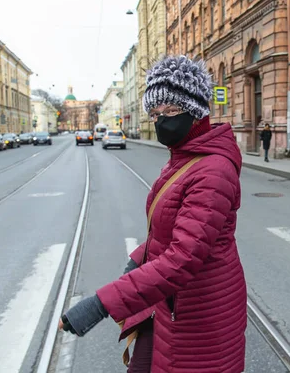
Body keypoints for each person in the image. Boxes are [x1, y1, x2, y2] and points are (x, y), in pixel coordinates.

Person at [59, 55, 247, 373]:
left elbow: (183, 257)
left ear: (196, 109)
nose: (162, 121)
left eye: (171, 111)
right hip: (169, 302)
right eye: (155, 113)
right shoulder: (183, 157)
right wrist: (139, 256)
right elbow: (168, 231)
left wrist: (101, 304)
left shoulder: (211, 170)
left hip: (199, 311)